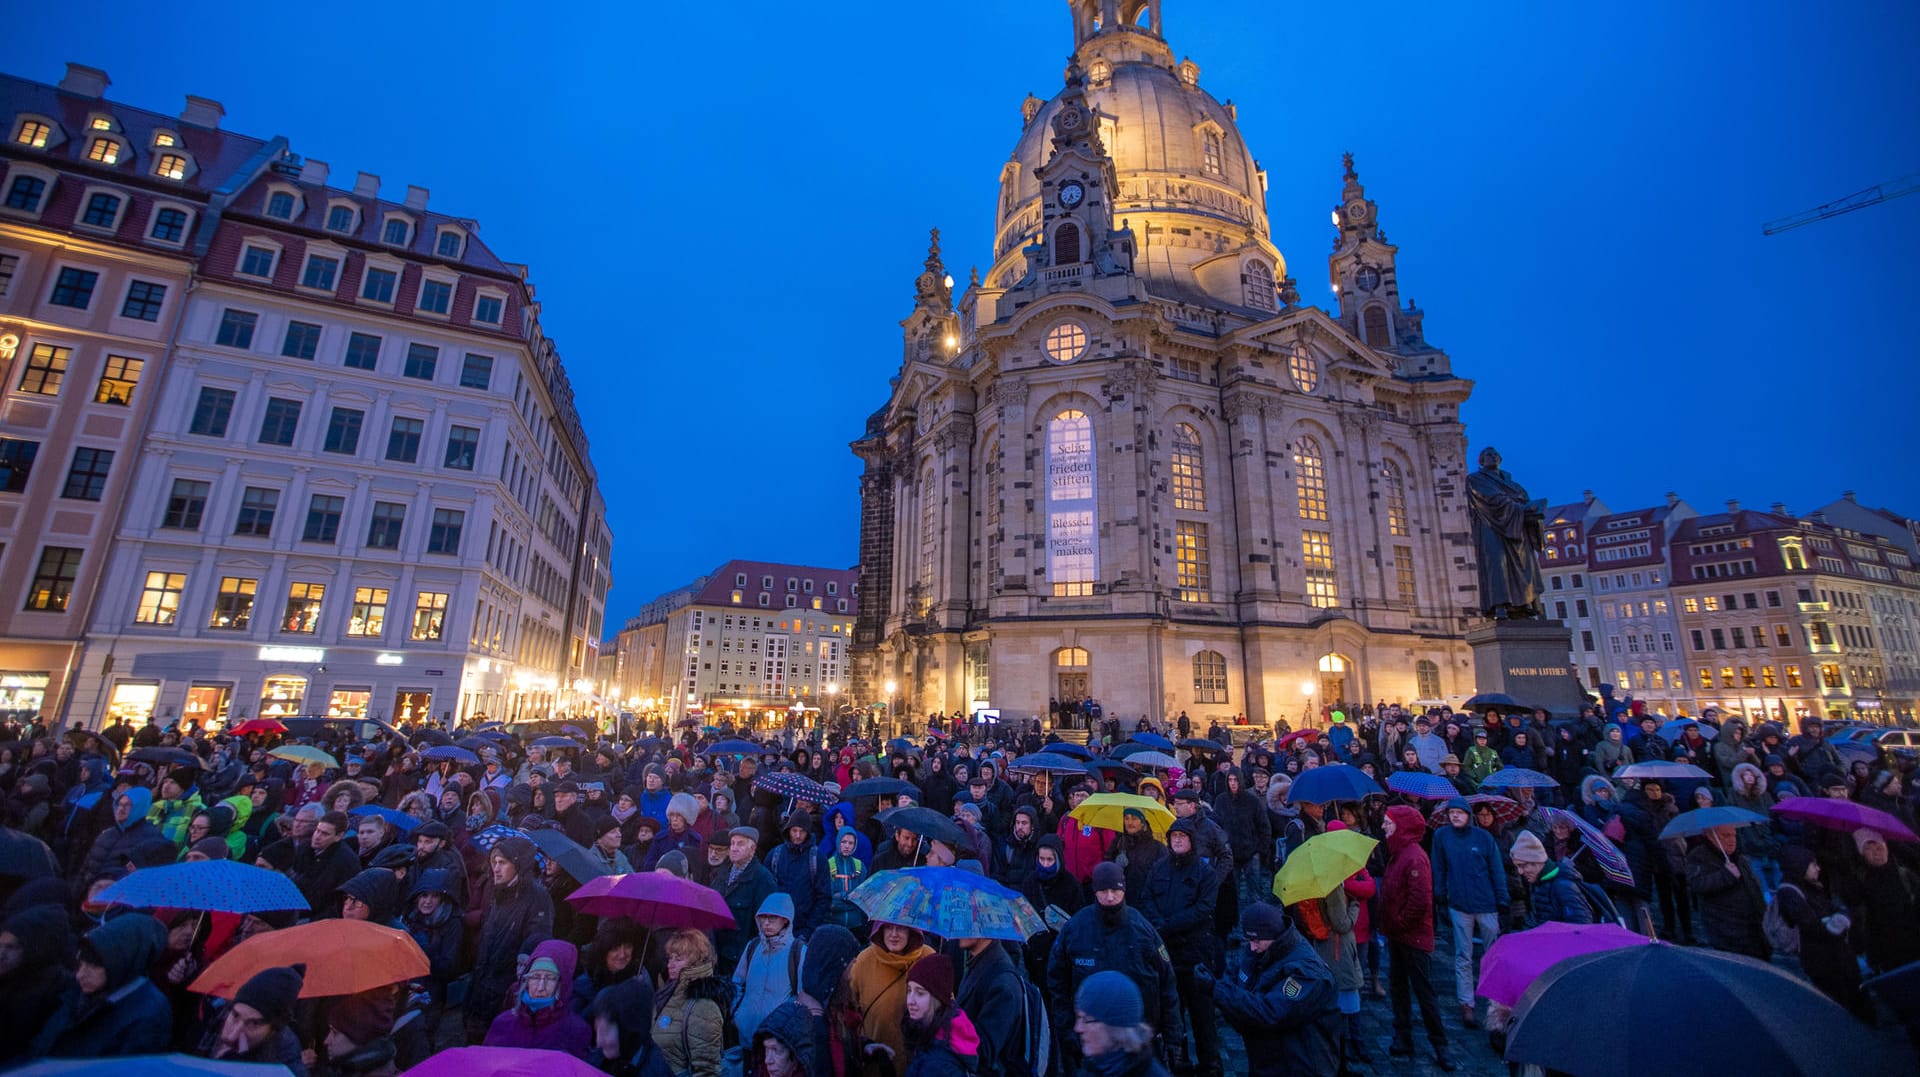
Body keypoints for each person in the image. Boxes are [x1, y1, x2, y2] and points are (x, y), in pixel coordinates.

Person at [1046, 861, 1183, 1073]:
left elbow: (1167, 983)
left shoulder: (1143, 931)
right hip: (1090, 1044)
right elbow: (1057, 981)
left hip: (1137, 1040)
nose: (1110, 897)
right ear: (1095, 891)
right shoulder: (1076, 929)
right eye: (1103, 891)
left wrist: (1173, 1036)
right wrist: (1067, 1031)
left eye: (1115, 890)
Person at [1205, 903, 1342, 1077]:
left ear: (1274, 935)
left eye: (1256, 941)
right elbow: (1237, 974)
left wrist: (1218, 990)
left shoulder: (1308, 973)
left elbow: (1272, 1011)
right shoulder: (1259, 951)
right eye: (1249, 940)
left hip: (1300, 1066)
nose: (1252, 947)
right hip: (1268, 1061)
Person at [1143, 817, 1222, 1077]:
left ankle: (1210, 1065)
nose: (1177, 840)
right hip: (1167, 954)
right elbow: (1147, 898)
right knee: (1172, 1014)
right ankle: (1180, 1062)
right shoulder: (1159, 868)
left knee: (1202, 1017)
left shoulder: (1205, 872)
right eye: (1173, 836)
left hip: (1196, 953)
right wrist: (1159, 924)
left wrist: (1170, 925)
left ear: (1191, 841)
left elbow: (1204, 909)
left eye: (1182, 836)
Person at [32, 913, 172, 1057]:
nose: (80, 974)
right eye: (80, 963)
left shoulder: (150, 1014)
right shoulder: (78, 989)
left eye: (93, 966)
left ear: (123, 962)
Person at [1379, 804, 1454, 1071]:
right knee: (1398, 987)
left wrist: (1398, 922)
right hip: (1397, 935)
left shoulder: (1414, 857)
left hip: (1413, 937)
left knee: (1424, 991)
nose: (1384, 828)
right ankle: (1403, 1034)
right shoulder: (1397, 853)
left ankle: (1439, 1044)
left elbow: (1419, 900)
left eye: (1388, 824)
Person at [466, 834, 555, 1043]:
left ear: (518, 865)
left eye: (502, 863)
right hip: (482, 986)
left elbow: (537, 942)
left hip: (506, 996)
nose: (495, 868)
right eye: (494, 862)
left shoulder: (537, 898)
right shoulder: (499, 893)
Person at [1429, 796, 1507, 1027]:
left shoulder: (1484, 838)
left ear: (1468, 815)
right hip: (1459, 904)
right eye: (1451, 812)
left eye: (1459, 812)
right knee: (1463, 954)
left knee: (1492, 955)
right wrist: (1440, 896)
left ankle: (1495, 1003)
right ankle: (1467, 1003)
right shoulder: (1441, 837)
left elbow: (1497, 870)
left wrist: (1502, 900)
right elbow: (1439, 868)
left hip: (1486, 903)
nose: (1455, 815)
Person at [1775, 845, 1870, 1022]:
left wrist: (1837, 917)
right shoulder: (1790, 892)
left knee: (1856, 996)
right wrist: (1836, 921)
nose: (1818, 868)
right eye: (1813, 864)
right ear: (1800, 866)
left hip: (1839, 956)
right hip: (1823, 962)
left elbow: (1836, 907)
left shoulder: (1812, 885)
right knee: (1839, 1003)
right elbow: (1814, 926)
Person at [845, 921, 935, 1073]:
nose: (893, 934)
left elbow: (946, 1009)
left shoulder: (928, 958)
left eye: (901, 927)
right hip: (877, 1062)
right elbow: (848, 1010)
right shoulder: (864, 961)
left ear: (911, 931)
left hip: (920, 1063)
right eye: (887, 927)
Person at [485, 938, 592, 1055]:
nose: (541, 987)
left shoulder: (575, 1031)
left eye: (550, 978)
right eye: (535, 977)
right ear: (526, 981)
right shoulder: (503, 1024)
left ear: (562, 985)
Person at [201, 964, 310, 1075]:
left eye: (253, 1023)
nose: (232, 1035)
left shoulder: (285, 1068)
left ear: (273, 1030)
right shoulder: (213, 1016)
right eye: (235, 1016)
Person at [1840, 827, 1920, 974]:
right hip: (1889, 954)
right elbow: (1861, 919)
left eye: (1879, 846)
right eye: (1868, 849)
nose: (1877, 852)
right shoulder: (1861, 883)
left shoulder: (1905, 875)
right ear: (1862, 854)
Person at [1683, 822, 1767, 960]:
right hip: (1728, 932)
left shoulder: (1739, 856)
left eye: (1734, 835)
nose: (1732, 840)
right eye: (1725, 835)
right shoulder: (1698, 856)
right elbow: (1697, 884)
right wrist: (1726, 875)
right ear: (1710, 836)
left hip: (1754, 928)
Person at [652, 929, 729, 1077]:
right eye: (670, 958)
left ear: (696, 962)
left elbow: (707, 1070)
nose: (670, 964)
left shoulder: (704, 1007)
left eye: (678, 959)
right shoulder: (666, 993)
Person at [733, 892, 805, 1044]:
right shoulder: (752, 946)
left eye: (772, 918)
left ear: (785, 920)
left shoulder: (798, 950)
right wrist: (738, 1014)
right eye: (763, 917)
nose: (766, 923)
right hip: (746, 1034)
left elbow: (801, 995)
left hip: (778, 1037)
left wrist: (784, 1021)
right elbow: (737, 983)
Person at [1072, 970, 1174, 1077]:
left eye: (1087, 1019)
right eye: (1079, 1017)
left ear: (1115, 1028)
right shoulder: (1093, 1068)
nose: (1078, 1028)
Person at [898, 953, 981, 1077]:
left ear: (937, 998)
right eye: (909, 990)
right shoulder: (934, 1035)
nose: (910, 1001)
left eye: (920, 993)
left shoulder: (937, 1065)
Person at [713, 826, 778, 972]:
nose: (734, 848)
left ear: (752, 849)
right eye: (732, 843)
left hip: (741, 960)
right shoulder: (721, 873)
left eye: (740, 844)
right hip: (717, 954)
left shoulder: (763, 880)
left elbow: (765, 927)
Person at [589, 975, 673, 1077]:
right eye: (597, 1030)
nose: (599, 1042)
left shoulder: (655, 1071)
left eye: (605, 1031)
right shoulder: (599, 1059)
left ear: (628, 1029)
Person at [1508, 831, 1594, 927]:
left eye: (1522, 866)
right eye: (1517, 867)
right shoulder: (1538, 883)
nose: (1520, 872)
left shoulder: (1563, 887)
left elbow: (1582, 925)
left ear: (1536, 861)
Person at [766, 811, 829, 937]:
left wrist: (809, 930)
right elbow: (765, 892)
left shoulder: (817, 858)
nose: (798, 835)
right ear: (788, 830)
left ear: (808, 833)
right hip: (775, 927)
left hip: (804, 928)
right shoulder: (775, 855)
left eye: (802, 831)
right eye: (794, 830)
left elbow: (824, 897)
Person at [746, 999, 813, 1077]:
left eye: (776, 1050)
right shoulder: (760, 1073)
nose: (767, 1060)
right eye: (766, 1050)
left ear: (796, 1055)